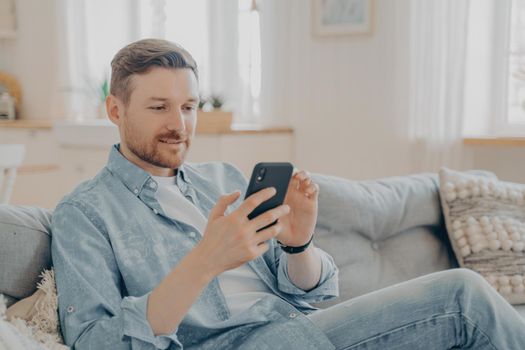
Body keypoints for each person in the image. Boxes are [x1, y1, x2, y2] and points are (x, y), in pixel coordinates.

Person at [51, 39, 525, 350]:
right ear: (115, 109)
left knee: (466, 303)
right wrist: (205, 262)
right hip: (234, 344)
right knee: (461, 297)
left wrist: (299, 243)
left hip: (298, 331)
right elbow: (95, 342)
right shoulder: (85, 214)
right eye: (159, 108)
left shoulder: (221, 178)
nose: (180, 125)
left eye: (189, 107)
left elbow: (306, 291)